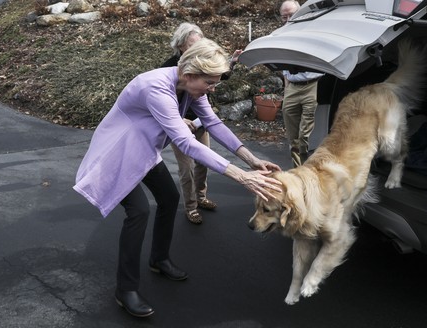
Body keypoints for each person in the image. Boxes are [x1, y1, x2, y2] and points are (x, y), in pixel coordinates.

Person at [73, 38, 282, 318]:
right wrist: (241, 176)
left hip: (144, 150)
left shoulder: (191, 88)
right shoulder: (155, 87)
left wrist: (252, 159)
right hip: (119, 152)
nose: (212, 89)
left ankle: (158, 259)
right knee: (138, 212)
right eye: (209, 83)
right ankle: (125, 289)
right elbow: (185, 142)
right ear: (189, 74)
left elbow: (213, 123)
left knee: (170, 198)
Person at [162, 22, 243, 224]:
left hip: (200, 123)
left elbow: (219, 75)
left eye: (200, 44)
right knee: (186, 168)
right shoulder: (167, 68)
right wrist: (179, 119)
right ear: (180, 45)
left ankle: (201, 197)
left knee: (203, 163)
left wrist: (231, 62)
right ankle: (191, 207)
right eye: (192, 45)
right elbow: (160, 106)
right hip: (178, 126)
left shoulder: (203, 65)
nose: (198, 50)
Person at [280, 0, 324, 167]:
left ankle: (309, 167)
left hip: (312, 84)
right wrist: (286, 87)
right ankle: (298, 171)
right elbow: (282, 65)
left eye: (292, 15)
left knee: (305, 135)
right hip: (292, 86)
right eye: (285, 16)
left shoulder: (313, 31)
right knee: (293, 137)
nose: (289, 19)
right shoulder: (281, 34)